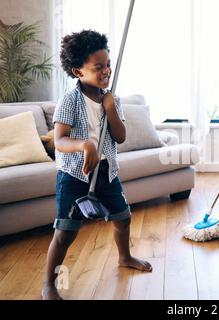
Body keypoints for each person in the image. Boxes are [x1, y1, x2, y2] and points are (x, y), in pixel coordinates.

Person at [42, 30, 152, 300]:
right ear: (78, 71)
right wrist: (85, 145)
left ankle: (124, 256)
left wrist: (111, 108)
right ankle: (49, 285)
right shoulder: (70, 100)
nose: (107, 71)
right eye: (98, 67)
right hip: (74, 175)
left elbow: (121, 136)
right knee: (65, 232)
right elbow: (60, 140)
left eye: (108, 64)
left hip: (106, 171)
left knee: (123, 217)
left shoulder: (111, 98)